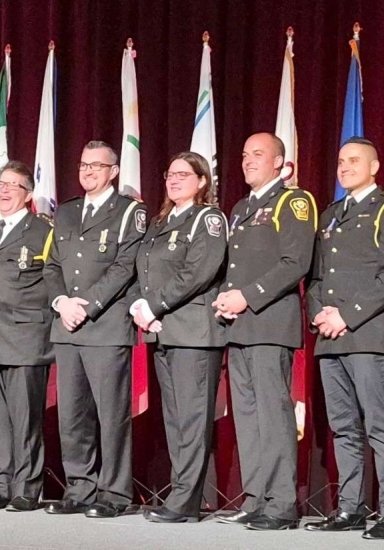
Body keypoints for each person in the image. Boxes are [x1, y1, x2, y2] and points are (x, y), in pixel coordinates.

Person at [305, 138, 384, 539]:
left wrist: (347, 315)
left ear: (375, 166)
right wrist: (319, 314)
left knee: (379, 424)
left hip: (367, 334)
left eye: (353, 160)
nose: (344, 167)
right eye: (340, 161)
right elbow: (317, 278)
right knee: (343, 426)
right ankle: (351, 507)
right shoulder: (332, 214)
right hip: (330, 337)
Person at [213, 132, 317, 531]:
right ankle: (256, 497)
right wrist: (226, 298)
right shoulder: (240, 207)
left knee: (273, 416)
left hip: (270, 322)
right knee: (247, 416)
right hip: (238, 326)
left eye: (258, 154)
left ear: (280, 162)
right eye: (244, 154)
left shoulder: (294, 200)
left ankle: (281, 503)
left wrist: (247, 296)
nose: (248, 160)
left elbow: (296, 262)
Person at [43, 141, 147, 518]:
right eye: (83, 164)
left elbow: (124, 267)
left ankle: (115, 493)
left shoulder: (129, 212)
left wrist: (86, 305)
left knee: (111, 415)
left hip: (104, 325)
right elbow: (52, 265)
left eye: (96, 166)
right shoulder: (66, 212)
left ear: (113, 171)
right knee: (71, 415)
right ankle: (79, 488)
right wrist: (61, 303)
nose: (87, 171)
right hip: (67, 326)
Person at [131, 152, 227, 524]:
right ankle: (181, 493)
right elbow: (147, 271)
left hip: (194, 333)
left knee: (192, 419)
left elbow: (198, 271)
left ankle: (186, 499)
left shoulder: (209, 219)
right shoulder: (158, 222)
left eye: (184, 175)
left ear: (202, 180)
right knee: (174, 420)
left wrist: (154, 306)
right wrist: (141, 307)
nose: (174, 180)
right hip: (163, 332)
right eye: (170, 174)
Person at [0, 161, 54, 512]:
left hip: (25, 337)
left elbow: (53, 282)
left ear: (28, 194)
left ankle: (26, 488)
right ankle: (0, 485)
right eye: (0, 184)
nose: (3, 191)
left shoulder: (43, 230)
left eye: (12, 185)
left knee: (25, 419)